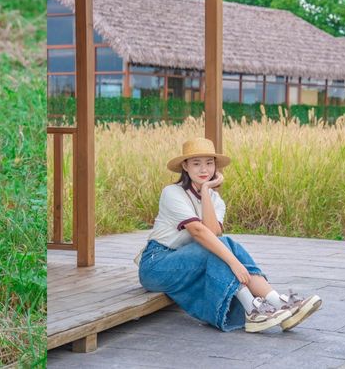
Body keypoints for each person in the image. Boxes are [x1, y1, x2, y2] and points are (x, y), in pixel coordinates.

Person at [137, 138, 322, 333]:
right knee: (221, 248)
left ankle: (279, 305)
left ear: (215, 166)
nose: (203, 170)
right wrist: (234, 262)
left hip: (191, 261)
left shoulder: (216, 200)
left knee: (220, 244)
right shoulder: (172, 193)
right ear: (185, 166)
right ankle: (254, 309)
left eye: (209, 163)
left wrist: (207, 190)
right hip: (157, 264)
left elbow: (212, 232)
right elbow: (199, 232)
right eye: (196, 163)